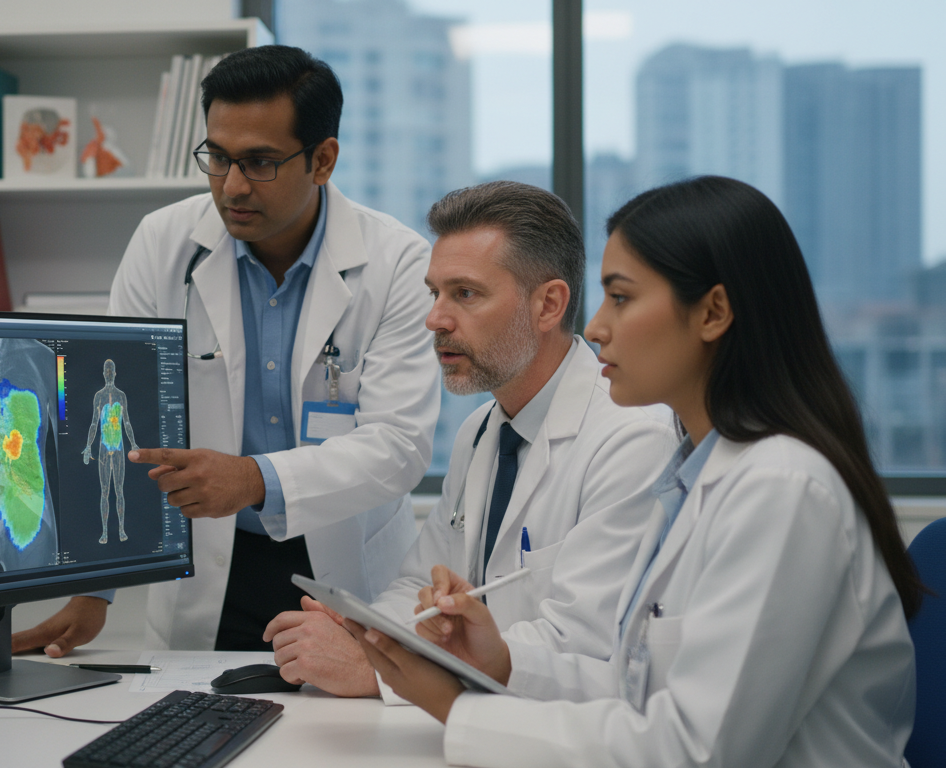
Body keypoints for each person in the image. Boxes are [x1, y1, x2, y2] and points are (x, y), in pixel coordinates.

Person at [351, 176, 921, 767]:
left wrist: (458, 708)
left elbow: (696, 752)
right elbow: (636, 688)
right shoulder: (697, 475)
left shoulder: (781, 489)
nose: (595, 328)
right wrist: (500, 661)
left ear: (713, 313)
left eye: (620, 298)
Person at [11, 45, 439, 654]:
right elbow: (117, 426)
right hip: (208, 572)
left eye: (260, 162)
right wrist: (96, 585)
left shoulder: (397, 262)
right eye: (218, 157)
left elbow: (399, 447)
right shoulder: (163, 244)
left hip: (345, 576)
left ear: (323, 160)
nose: (232, 186)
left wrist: (252, 479)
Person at [264, 181, 676, 697]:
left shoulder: (632, 440)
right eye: (434, 292)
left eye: (465, 293)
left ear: (549, 305)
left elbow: (578, 645)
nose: (434, 318)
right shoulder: (480, 430)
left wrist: (380, 671)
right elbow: (419, 587)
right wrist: (365, 632)